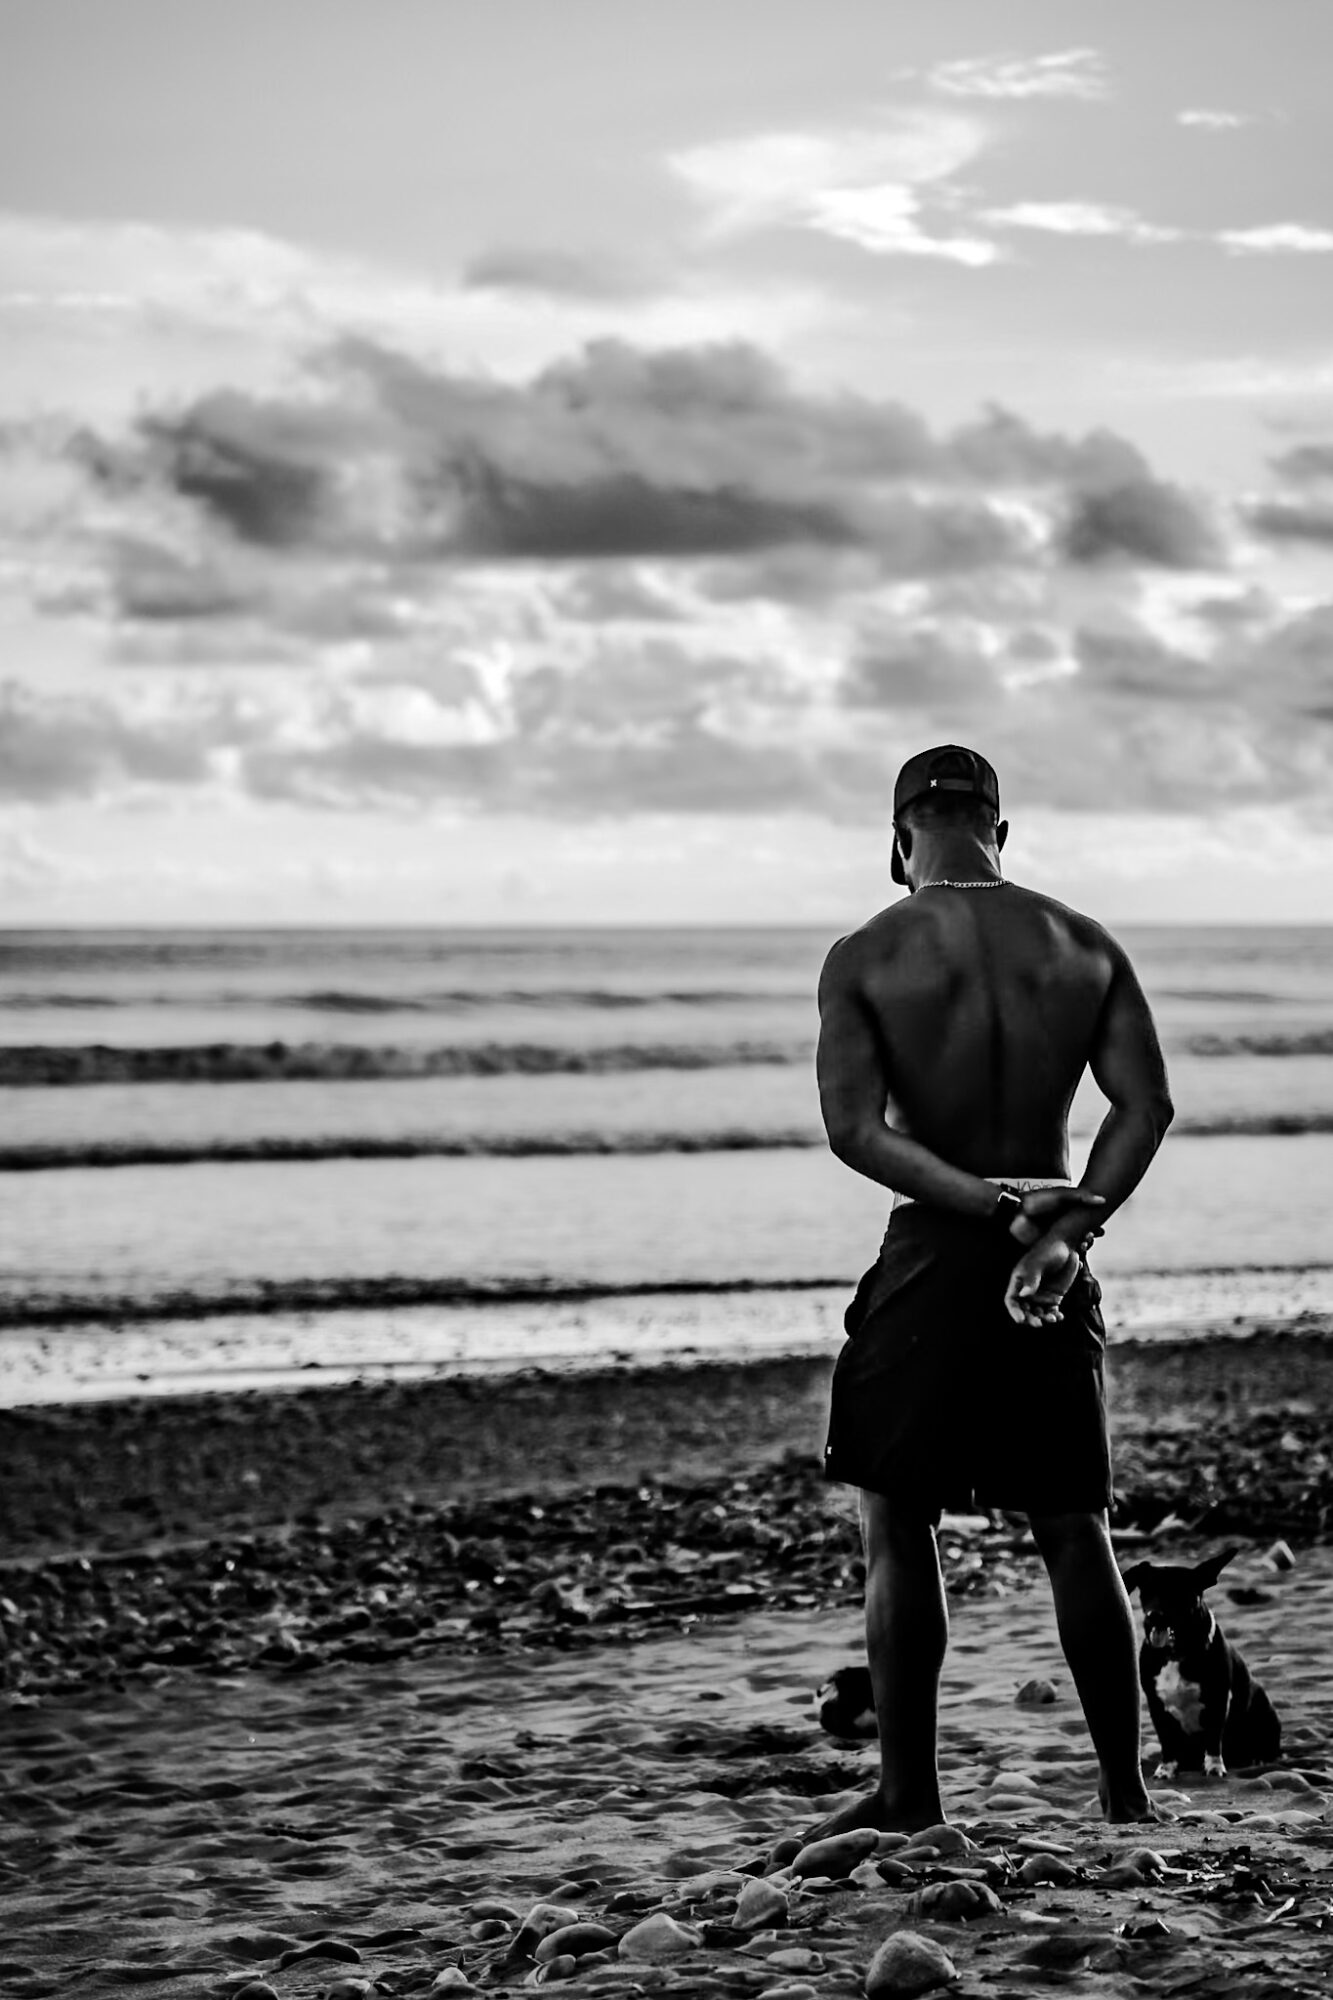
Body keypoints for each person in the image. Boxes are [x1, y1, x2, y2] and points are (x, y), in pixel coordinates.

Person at [814, 743, 1174, 1830]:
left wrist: (986, 1209)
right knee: (1072, 1523)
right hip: (1051, 1248)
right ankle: (1124, 1791)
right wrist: (1069, 1214)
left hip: (939, 1241)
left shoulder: (867, 950)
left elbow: (854, 1129)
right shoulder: (1082, 941)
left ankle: (907, 1793)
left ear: (896, 838)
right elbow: (1143, 1107)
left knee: (897, 1516)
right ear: (999, 831)